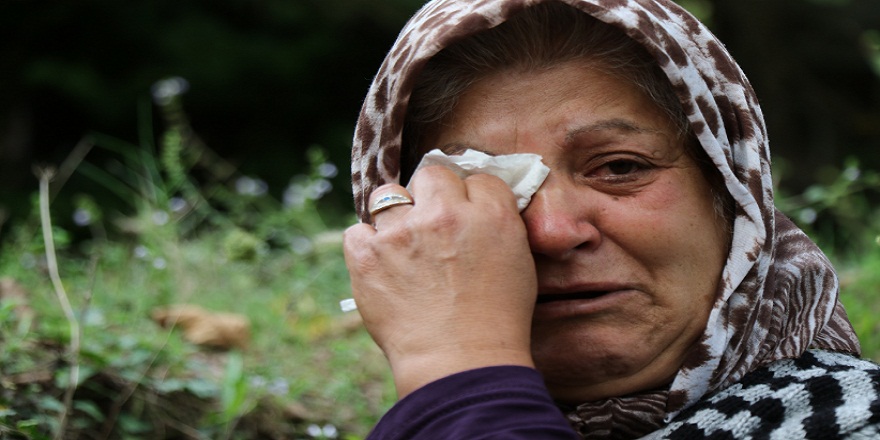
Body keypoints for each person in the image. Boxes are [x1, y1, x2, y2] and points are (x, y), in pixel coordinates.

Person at [343, 0, 880, 438]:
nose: (552, 233)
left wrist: (458, 374)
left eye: (620, 167)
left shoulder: (849, 419)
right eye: (480, 189)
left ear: (735, 207)